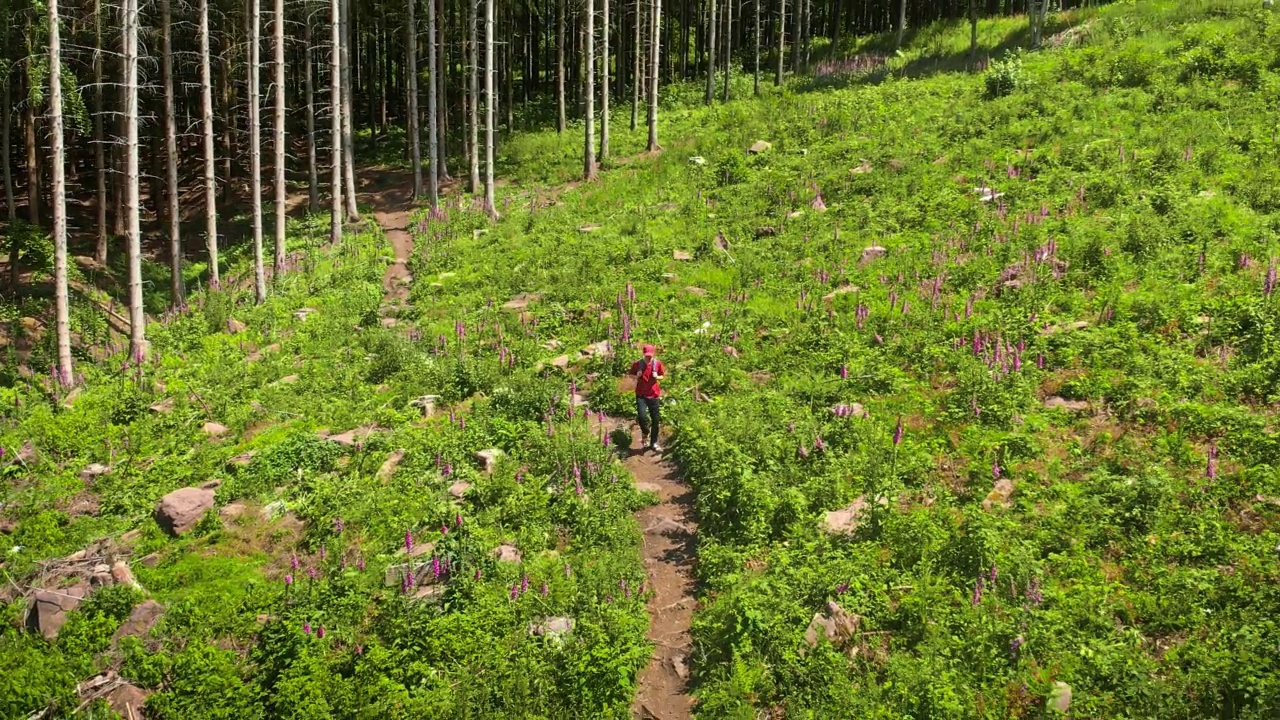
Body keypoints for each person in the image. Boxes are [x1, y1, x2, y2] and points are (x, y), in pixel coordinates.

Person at [629, 344, 666, 452]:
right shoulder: (637, 364)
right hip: (641, 395)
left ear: (653, 354)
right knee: (642, 417)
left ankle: (653, 442)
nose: (649, 357)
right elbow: (630, 375)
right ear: (643, 354)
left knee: (656, 419)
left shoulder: (657, 364)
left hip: (654, 394)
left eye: (650, 355)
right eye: (647, 356)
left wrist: (657, 377)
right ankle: (645, 433)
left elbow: (662, 375)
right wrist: (637, 376)